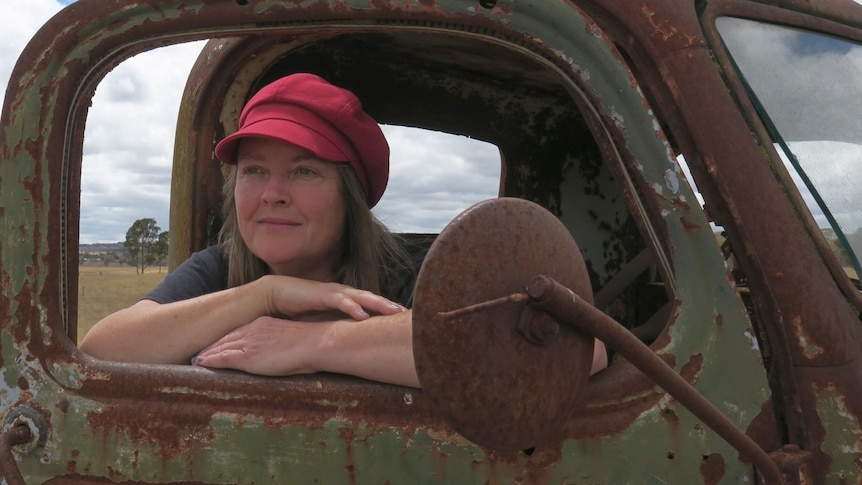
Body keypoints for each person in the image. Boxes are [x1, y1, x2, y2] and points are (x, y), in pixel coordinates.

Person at [80, 73, 607, 387]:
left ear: (348, 195)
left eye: (305, 170)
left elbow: (577, 347)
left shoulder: (416, 269)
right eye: (254, 170)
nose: (272, 193)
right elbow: (102, 350)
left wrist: (317, 342)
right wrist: (265, 295)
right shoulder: (222, 270)